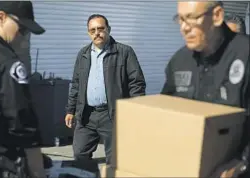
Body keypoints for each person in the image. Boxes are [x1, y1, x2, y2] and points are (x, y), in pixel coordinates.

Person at [161, 1, 249, 178]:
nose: (184, 28)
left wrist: (242, 166)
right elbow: (166, 112)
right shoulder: (179, 61)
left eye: (192, 18)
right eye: (180, 19)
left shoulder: (245, 55)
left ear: (217, 16)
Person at [65, 14, 146, 164]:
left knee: (115, 159)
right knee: (79, 154)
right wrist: (70, 110)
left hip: (112, 114)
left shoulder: (124, 52)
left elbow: (136, 83)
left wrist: (135, 111)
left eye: (101, 29)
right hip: (86, 114)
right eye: (92, 30)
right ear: (88, 33)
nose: (97, 33)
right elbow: (76, 84)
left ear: (108, 29)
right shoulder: (83, 54)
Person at [0, 1, 46, 177]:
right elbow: (23, 125)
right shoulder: (6, 62)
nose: (23, 36)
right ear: (1, 18)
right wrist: (38, 172)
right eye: (21, 29)